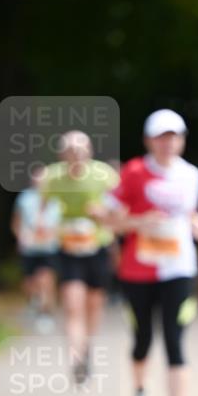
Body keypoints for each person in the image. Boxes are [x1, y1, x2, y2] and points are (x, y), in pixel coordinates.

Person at [111, 109, 198, 396]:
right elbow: (109, 220)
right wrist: (138, 223)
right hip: (138, 271)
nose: (168, 143)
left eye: (174, 136)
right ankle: (138, 392)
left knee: (176, 340)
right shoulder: (133, 172)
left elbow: (193, 218)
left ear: (181, 140)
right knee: (143, 340)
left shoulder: (192, 175)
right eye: (161, 137)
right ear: (149, 140)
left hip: (179, 269)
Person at [40, 131, 120, 382]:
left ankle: (87, 349)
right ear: (62, 154)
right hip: (68, 249)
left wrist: (102, 213)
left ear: (89, 151)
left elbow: (120, 208)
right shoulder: (52, 177)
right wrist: (45, 226)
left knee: (93, 305)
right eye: (70, 150)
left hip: (97, 247)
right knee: (73, 306)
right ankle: (76, 358)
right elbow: (43, 209)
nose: (76, 154)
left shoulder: (104, 175)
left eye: (80, 149)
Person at [11, 167, 61, 333]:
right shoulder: (25, 198)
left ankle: (45, 313)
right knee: (30, 282)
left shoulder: (57, 197)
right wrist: (20, 237)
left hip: (49, 246)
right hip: (30, 246)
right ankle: (34, 302)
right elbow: (16, 221)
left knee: (46, 279)